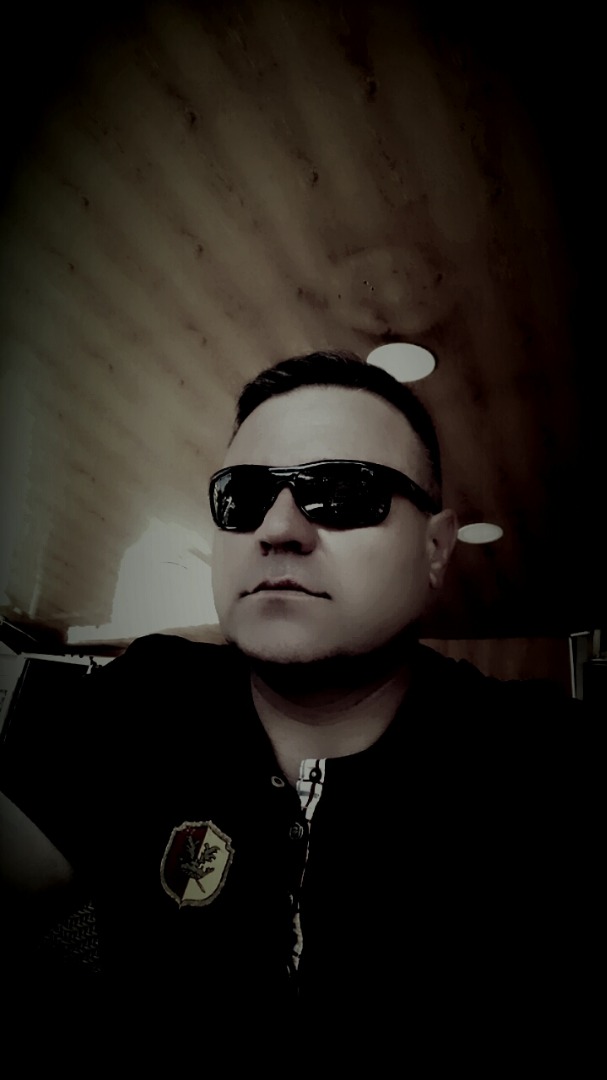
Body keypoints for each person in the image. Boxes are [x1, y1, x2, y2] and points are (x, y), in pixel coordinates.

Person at [0, 351, 596, 1057]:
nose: (277, 528)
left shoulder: (543, 760)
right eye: (243, 497)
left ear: (435, 549)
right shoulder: (146, 696)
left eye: (342, 492)